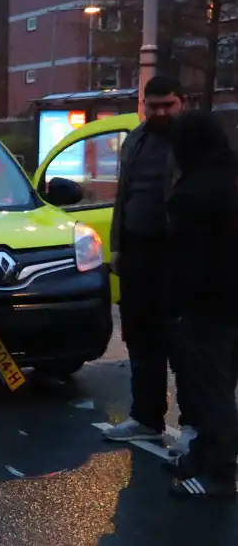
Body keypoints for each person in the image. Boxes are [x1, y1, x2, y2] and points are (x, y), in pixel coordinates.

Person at [101, 75, 198, 450]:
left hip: (177, 255)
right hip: (139, 254)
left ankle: (193, 427)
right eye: (152, 105)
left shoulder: (193, 142)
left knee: (186, 346)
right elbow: (123, 197)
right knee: (142, 339)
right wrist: (118, 247)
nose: (159, 112)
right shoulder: (136, 140)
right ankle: (145, 417)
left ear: (182, 102)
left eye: (167, 105)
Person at [162, 110, 238, 498]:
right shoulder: (228, 176)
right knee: (220, 384)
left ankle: (220, 473)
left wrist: (176, 304)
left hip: (207, 305)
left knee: (211, 390)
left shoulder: (195, 193)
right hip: (228, 301)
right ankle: (205, 456)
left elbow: (188, 260)